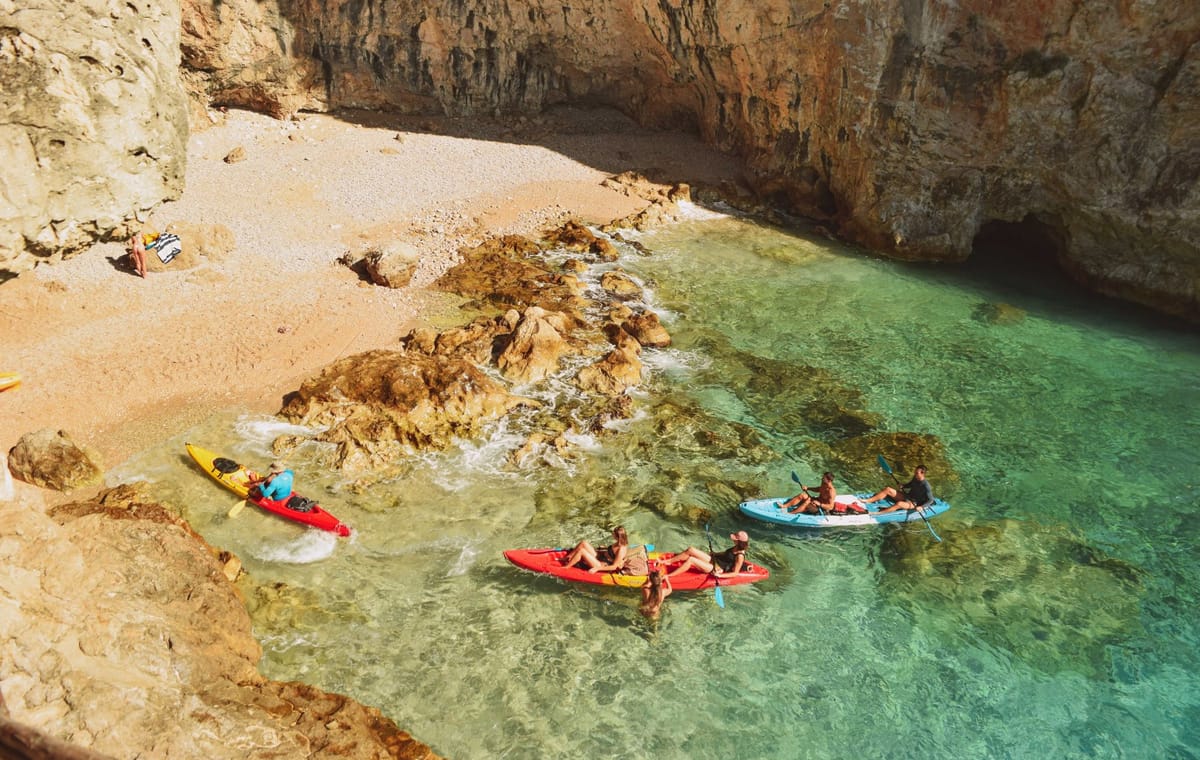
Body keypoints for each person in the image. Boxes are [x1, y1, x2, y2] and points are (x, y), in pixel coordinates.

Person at [661, 531, 750, 579]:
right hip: (714, 560)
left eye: (735, 538)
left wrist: (720, 576)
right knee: (691, 549)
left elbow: (735, 573)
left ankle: (670, 576)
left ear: (738, 541)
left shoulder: (740, 556)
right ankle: (668, 561)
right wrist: (714, 554)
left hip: (715, 568)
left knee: (691, 560)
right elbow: (725, 554)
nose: (733, 539)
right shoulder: (735, 547)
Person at [864, 464, 934, 515]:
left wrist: (921, 507)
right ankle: (867, 500)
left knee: (899, 504)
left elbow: (931, 500)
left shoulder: (926, 486)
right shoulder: (915, 478)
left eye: (917, 473)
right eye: (915, 472)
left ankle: (879, 513)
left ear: (922, 474)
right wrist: (903, 486)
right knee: (888, 489)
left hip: (914, 503)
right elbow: (910, 485)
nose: (915, 473)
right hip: (907, 496)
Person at [562, 526, 629, 573]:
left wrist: (597, 568)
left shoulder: (621, 549)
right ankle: (568, 557)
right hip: (601, 558)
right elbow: (612, 553)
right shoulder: (618, 543)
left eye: (613, 534)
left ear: (618, 536)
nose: (612, 534)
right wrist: (605, 549)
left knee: (582, 551)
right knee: (583, 543)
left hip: (601, 565)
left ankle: (567, 567)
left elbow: (614, 566)